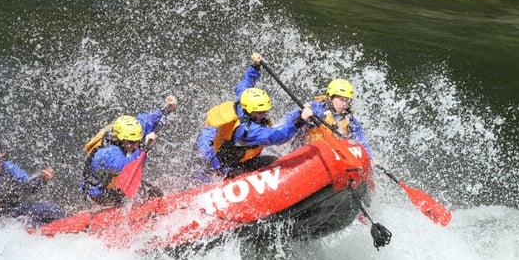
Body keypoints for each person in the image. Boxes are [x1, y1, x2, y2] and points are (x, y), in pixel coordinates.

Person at [196, 52, 313, 180]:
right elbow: (278, 136)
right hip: (225, 165)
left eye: (264, 111)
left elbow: (245, 84)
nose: (263, 115)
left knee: (273, 160)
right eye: (259, 112)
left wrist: (255, 67)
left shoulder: (244, 101)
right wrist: (301, 119)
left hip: (220, 148)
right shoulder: (248, 131)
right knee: (272, 162)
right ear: (248, 110)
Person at [81, 95, 178, 207]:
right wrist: (144, 147)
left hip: (115, 181)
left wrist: (166, 109)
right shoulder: (109, 154)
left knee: (154, 192)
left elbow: (146, 120)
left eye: (137, 141)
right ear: (119, 139)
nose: (135, 145)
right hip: (99, 192)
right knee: (131, 201)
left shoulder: (128, 132)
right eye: (131, 142)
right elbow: (127, 169)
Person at [297, 78, 374, 158]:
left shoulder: (350, 120)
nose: (344, 104)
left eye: (347, 100)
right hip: (308, 152)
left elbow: (361, 140)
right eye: (341, 99)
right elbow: (291, 123)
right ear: (331, 97)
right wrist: (301, 115)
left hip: (332, 156)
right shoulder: (316, 109)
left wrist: (370, 157)